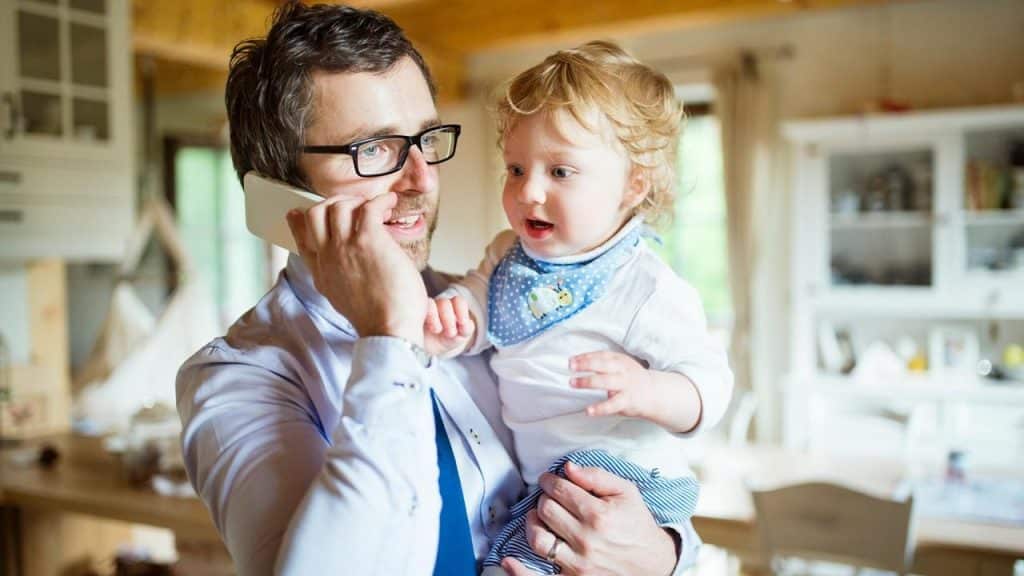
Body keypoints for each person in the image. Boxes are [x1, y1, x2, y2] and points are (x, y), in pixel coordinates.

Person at [176, 3, 703, 575]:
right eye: (374, 149)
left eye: (426, 139)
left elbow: (645, 485)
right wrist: (388, 336)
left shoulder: (493, 312)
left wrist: (662, 556)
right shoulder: (238, 378)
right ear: (280, 187)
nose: (421, 178)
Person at [423, 41, 733, 575]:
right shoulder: (506, 255)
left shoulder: (644, 287)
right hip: (546, 480)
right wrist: (457, 313)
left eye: (560, 172)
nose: (529, 192)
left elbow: (711, 385)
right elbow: (479, 297)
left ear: (633, 185)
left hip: (627, 479)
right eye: (516, 169)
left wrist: (651, 391)